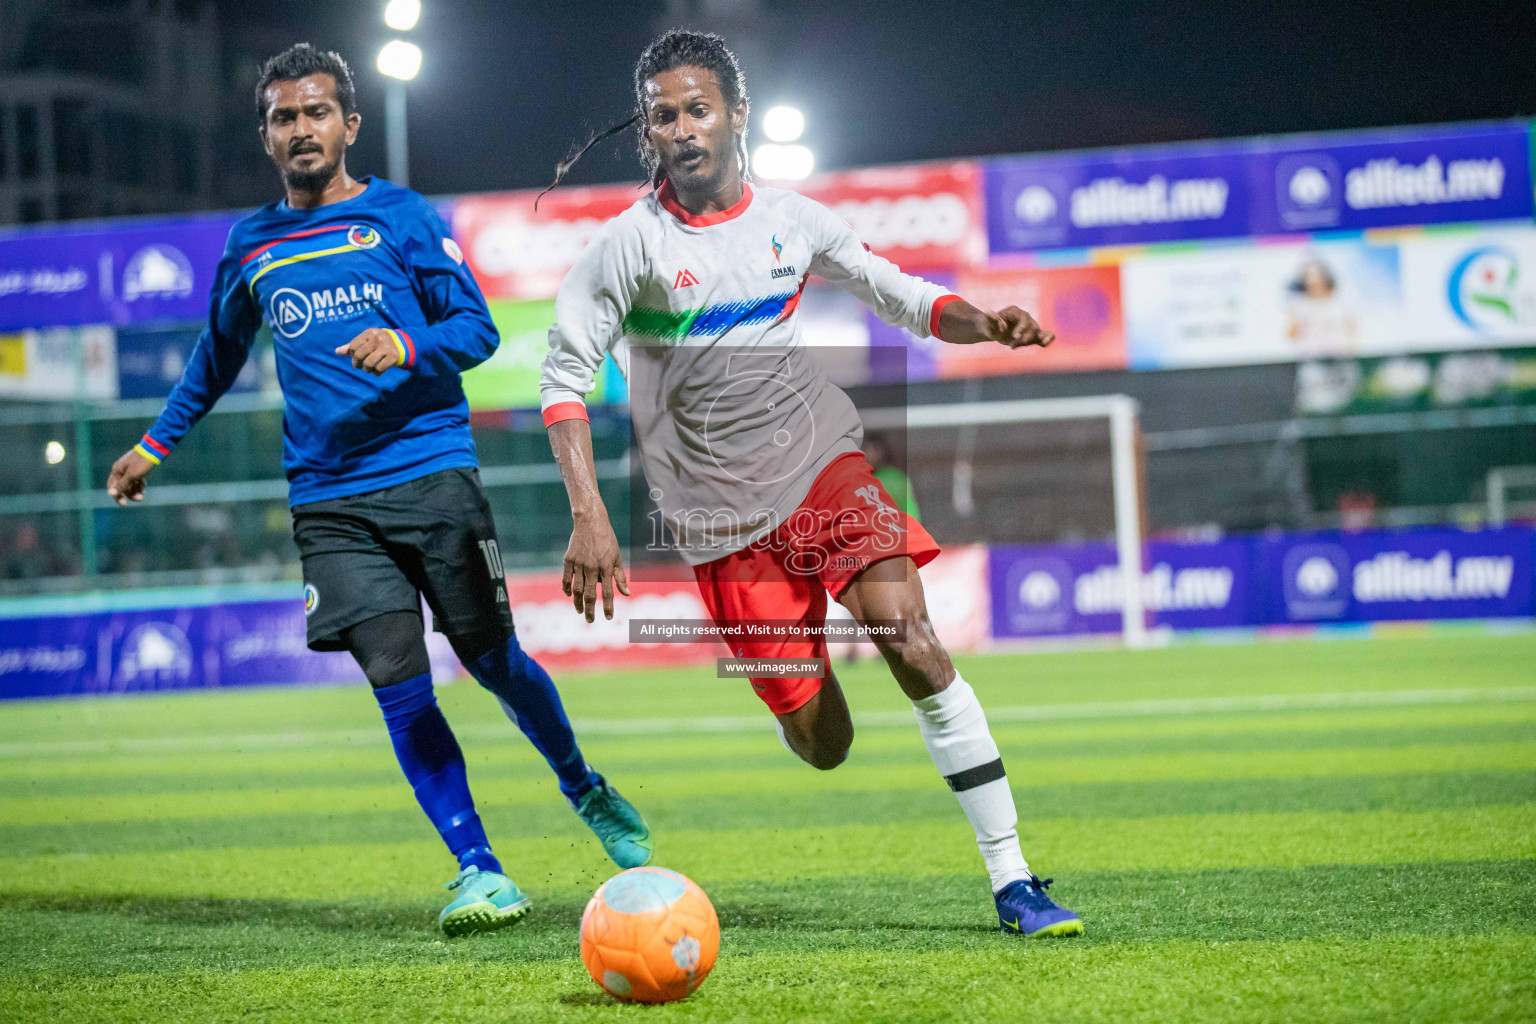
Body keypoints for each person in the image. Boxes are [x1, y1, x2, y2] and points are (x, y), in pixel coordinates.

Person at [537, 29, 1080, 938]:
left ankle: (1015, 879)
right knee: (824, 746)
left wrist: (983, 320)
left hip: (818, 465)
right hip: (717, 519)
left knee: (913, 643)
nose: (681, 129)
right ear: (648, 135)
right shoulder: (625, 249)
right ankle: (806, 683)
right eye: (662, 116)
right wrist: (589, 515)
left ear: (735, 115)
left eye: (697, 109)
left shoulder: (793, 220)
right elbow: (563, 381)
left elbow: (893, 289)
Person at [103, 44, 650, 937]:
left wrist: (406, 346)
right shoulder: (251, 245)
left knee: (491, 661)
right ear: (267, 137)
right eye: (284, 117)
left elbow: (474, 330)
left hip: (432, 476)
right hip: (330, 502)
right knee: (399, 687)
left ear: (349, 125)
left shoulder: (400, 217)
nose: (301, 129)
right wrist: (152, 445)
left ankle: (582, 785)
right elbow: (217, 356)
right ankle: (479, 868)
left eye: (317, 112)